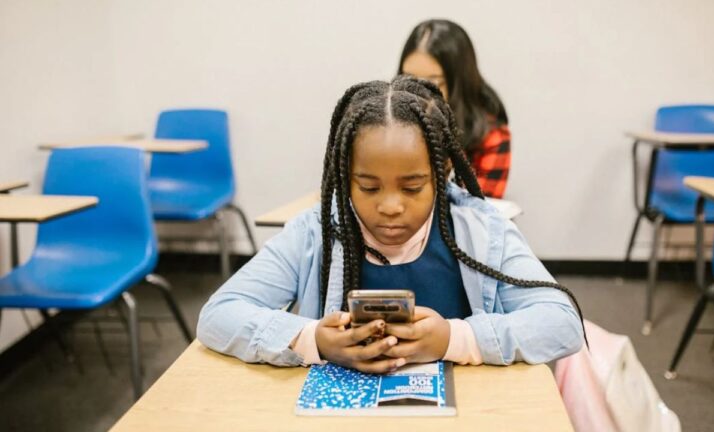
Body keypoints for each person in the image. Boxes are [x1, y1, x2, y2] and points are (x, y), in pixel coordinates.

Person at [197, 76, 584, 373]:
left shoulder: (482, 231)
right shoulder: (316, 232)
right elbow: (219, 314)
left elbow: (561, 322)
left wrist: (456, 339)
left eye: (412, 187)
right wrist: (310, 339)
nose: (390, 207)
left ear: (440, 174)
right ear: (345, 177)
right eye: (368, 187)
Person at [399, 19, 511, 198]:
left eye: (432, 82)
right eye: (409, 79)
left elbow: (482, 210)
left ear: (458, 82)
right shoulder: (387, 120)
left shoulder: (491, 135)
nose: (417, 93)